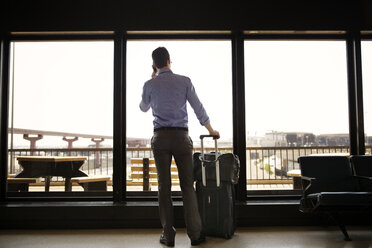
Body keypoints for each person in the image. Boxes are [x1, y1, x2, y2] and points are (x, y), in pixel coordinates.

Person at [139, 47, 220, 246]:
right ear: (169, 60)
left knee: (164, 187)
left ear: (154, 64)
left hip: (160, 138)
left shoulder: (149, 84)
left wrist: (152, 79)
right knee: (187, 187)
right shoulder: (184, 81)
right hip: (182, 137)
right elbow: (198, 108)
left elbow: (143, 107)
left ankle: (168, 234)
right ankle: (195, 234)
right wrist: (210, 130)